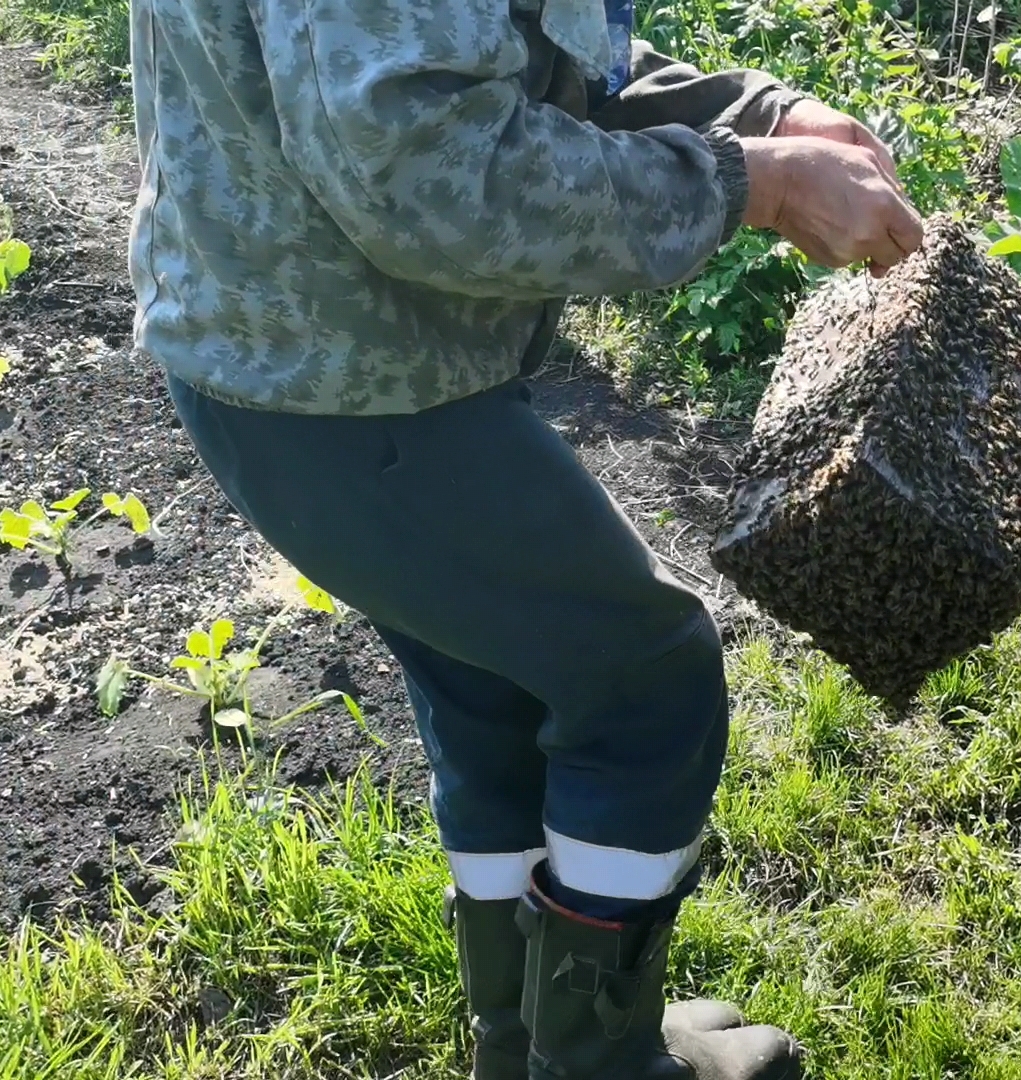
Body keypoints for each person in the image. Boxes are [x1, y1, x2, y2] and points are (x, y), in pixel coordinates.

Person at [126, 0, 924, 1070]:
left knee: (495, 685)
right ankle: (599, 1062)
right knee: (643, 689)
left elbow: (518, 55)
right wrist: (754, 184)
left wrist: (766, 114)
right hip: (343, 386)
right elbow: (426, 170)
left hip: (314, 361)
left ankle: (523, 1040)